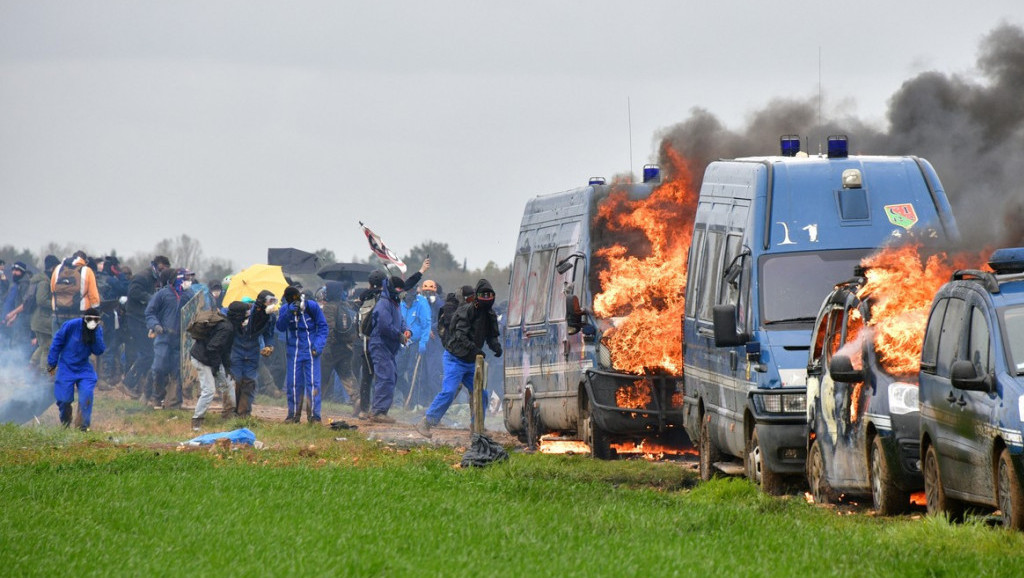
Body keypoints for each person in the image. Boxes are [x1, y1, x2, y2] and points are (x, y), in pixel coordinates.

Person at [417, 279, 502, 438]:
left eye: (490, 295)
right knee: (449, 392)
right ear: (477, 296)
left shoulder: (489, 314)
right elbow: (460, 335)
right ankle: (427, 422)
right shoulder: (467, 311)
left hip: (471, 362)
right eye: (484, 295)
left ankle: (477, 428)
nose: (487, 298)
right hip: (455, 359)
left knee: (481, 394)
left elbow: (492, 335)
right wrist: (475, 349)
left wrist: (495, 346)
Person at [276, 286, 329, 423]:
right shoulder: (285, 309)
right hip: (293, 351)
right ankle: (293, 415)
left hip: (311, 350)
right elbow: (280, 327)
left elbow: (323, 327)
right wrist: (288, 312)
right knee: (293, 383)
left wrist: (318, 345)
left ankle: (314, 416)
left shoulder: (312, 307)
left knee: (313, 383)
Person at [48, 308, 106, 430]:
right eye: (90, 319)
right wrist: (52, 364)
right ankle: (65, 421)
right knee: (63, 400)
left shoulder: (97, 330)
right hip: (66, 366)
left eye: (96, 320)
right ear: (84, 319)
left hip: (84, 367)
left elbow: (99, 350)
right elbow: (57, 342)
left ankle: (83, 426)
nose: (92, 322)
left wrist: (95, 333)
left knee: (86, 396)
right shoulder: (71, 325)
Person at [145, 268, 195, 409]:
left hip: (181, 339)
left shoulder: (190, 295)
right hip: (164, 336)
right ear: (177, 279)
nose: (188, 282)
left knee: (177, 370)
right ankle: (157, 396)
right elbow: (150, 312)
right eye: (185, 278)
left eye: (189, 279)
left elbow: (195, 313)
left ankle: (173, 402)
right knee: (159, 368)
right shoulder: (162, 295)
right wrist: (155, 325)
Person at [367, 276, 412, 423]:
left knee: (391, 375)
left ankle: (381, 411)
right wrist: (399, 335)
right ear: (392, 289)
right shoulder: (383, 304)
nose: (401, 293)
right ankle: (377, 412)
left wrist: (406, 330)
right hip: (380, 344)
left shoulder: (395, 303)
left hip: (389, 347)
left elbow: (401, 321)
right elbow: (384, 326)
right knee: (385, 376)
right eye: (399, 290)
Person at [123, 256, 168, 400]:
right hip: (135, 318)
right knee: (147, 353)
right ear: (156, 266)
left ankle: (138, 385)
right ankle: (129, 383)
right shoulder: (142, 277)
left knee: (147, 353)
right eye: (162, 269)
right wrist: (151, 298)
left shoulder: (156, 279)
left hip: (144, 319)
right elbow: (133, 292)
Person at [227, 291, 277, 418]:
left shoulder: (271, 317)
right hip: (236, 350)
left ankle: (244, 413)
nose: (272, 305)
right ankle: (230, 411)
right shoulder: (247, 311)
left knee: (249, 382)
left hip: (253, 351)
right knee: (235, 381)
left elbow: (269, 334)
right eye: (269, 301)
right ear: (261, 302)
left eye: (273, 301)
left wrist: (269, 346)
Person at [188, 308, 235, 431]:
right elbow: (212, 348)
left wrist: (226, 367)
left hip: (210, 358)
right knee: (209, 391)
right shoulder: (226, 328)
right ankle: (196, 421)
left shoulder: (228, 326)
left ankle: (230, 416)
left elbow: (224, 350)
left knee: (228, 383)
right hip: (201, 359)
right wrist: (216, 368)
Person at [319, 281, 359, 412]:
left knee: (322, 378)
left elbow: (328, 329)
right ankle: (358, 402)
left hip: (332, 349)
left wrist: (326, 347)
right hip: (346, 348)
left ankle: (313, 404)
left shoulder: (329, 307)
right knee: (347, 376)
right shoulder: (346, 306)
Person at [397, 283, 431, 405]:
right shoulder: (401, 303)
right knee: (397, 372)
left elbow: (426, 324)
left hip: (416, 343)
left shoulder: (422, 303)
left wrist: (423, 342)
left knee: (413, 373)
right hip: (403, 343)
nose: (408, 304)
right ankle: (407, 395)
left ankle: (415, 402)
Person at [50, 251, 101, 328]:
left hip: (58, 314)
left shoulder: (57, 269)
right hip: (79, 315)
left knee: (59, 339)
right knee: (77, 339)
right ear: (84, 261)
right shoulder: (87, 271)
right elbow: (94, 297)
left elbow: (53, 289)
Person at [29, 255, 60, 372]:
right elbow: (41, 300)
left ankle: (32, 367)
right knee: (48, 347)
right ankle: (45, 374)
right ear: (52, 268)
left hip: (39, 320)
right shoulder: (44, 281)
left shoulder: (43, 279)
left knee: (43, 346)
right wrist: (56, 304)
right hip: (42, 320)